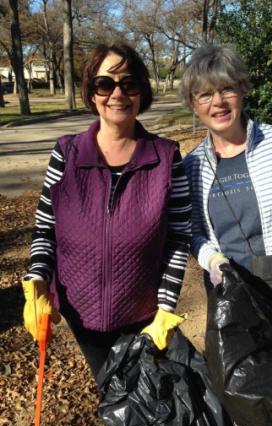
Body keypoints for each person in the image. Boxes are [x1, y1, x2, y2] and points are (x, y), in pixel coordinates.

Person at [22, 40, 191, 382]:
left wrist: (166, 309)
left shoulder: (166, 157)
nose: (117, 94)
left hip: (143, 317)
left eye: (128, 83)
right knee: (112, 394)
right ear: (92, 92)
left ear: (141, 91)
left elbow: (179, 237)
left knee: (147, 403)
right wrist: (37, 278)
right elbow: (45, 230)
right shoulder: (66, 153)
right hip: (80, 315)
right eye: (105, 83)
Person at [181, 44, 272, 322]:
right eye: (205, 94)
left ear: (242, 89)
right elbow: (195, 233)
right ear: (193, 103)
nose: (218, 102)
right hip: (234, 297)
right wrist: (213, 261)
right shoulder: (192, 166)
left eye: (226, 88)